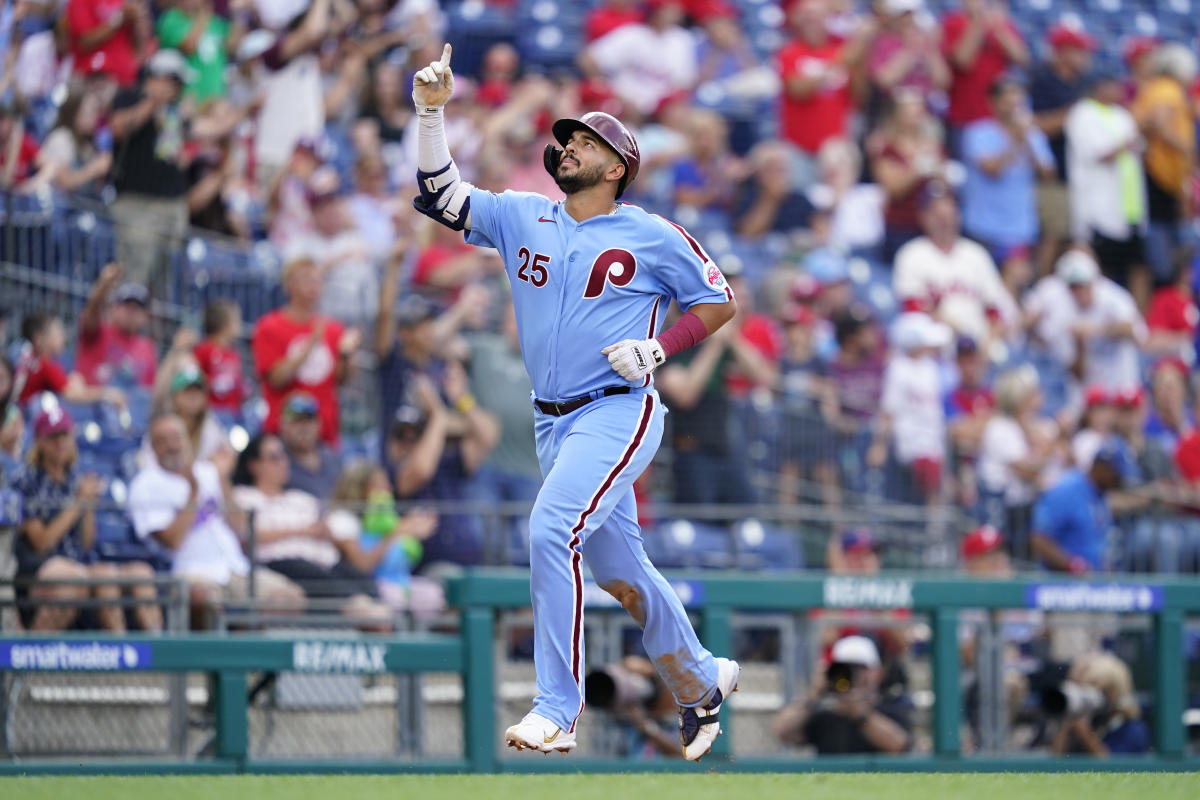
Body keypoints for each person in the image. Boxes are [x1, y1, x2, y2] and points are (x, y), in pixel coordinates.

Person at [410, 44, 739, 759]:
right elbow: (442, 196)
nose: (568, 148)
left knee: (550, 529)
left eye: (585, 142)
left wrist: (661, 349)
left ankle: (558, 707)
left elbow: (718, 302)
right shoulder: (526, 214)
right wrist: (431, 115)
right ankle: (702, 683)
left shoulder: (650, 232)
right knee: (622, 574)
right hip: (550, 418)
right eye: (567, 140)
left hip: (619, 407)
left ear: (616, 166)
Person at [129, 413, 303, 628]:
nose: (172, 445)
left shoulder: (209, 472)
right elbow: (172, 541)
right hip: (190, 571)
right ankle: (218, 656)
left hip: (234, 568)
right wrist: (193, 492)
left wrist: (222, 479)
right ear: (153, 447)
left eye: (176, 437)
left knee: (291, 597)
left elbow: (240, 527)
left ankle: (244, 649)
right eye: (163, 440)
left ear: (187, 439)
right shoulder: (146, 483)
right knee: (208, 601)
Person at [15, 406, 161, 632]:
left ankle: (131, 651)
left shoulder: (75, 478)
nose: (60, 443)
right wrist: (78, 503)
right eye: (53, 436)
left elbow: (86, 543)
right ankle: (31, 657)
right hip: (38, 566)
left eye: (65, 435)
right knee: (76, 579)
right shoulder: (27, 478)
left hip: (75, 563)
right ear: (39, 441)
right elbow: (41, 543)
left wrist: (88, 507)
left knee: (131, 572)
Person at [231, 434, 389, 627]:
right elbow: (247, 535)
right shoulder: (243, 497)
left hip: (323, 562)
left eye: (284, 456)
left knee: (355, 573)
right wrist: (302, 531)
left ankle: (382, 613)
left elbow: (328, 528)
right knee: (307, 570)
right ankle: (362, 610)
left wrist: (327, 532)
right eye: (274, 457)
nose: (283, 463)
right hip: (278, 563)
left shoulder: (302, 499)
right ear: (254, 465)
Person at [252, 255, 361, 445]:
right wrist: (310, 345)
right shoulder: (269, 327)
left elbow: (341, 380)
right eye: (306, 279)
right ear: (288, 286)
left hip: (324, 433)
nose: (314, 285)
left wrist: (346, 356)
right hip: (283, 432)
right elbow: (276, 379)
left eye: (318, 280)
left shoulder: (334, 329)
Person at [107, 49, 190, 289]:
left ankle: (158, 326)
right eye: (175, 83)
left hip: (172, 205)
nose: (177, 90)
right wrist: (153, 101)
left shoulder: (173, 110)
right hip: (137, 205)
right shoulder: (128, 96)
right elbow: (119, 128)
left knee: (168, 282)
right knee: (134, 277)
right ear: (159, 77)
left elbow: (188, 139)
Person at [893, 181, 1015, 344]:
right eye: (938, 215)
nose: (945, 221)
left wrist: (987, 344)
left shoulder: (976, 254)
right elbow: (913, 309)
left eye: (949, 214)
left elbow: (994, 310)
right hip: (933, 346)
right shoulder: (911, 254)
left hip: (977, 348)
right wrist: (957, 330)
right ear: (923, 217)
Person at [325, 460, 444, 617]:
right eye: (380, 485)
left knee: (432, 593)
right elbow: (362, 565)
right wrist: (397, 533)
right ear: (360, 490)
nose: (389, 489)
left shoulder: (387, 520)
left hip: (397, 583)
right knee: (392, 598)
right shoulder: (343, 520)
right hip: (360, 589)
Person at [1065, 70, 1148, 292]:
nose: (1118, 90)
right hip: (1099, 206)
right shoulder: (1083, 113)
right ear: (1099, 87)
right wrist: (1126, 144)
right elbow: (1095, 154)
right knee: (1100, 266)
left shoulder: (1123, 114)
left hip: (1130, 206)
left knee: (1138, 264)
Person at [961, 75, 1056, 261]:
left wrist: (1027, 140)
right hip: (983, 227)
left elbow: (1047, 174)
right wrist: (1017, 140)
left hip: (1021, 228)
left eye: (1018, 101)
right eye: (1007, 101)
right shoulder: (977, 132)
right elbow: (992, 170)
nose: (1014, 107)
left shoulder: (1032, 135)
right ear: (992, 103)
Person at [774, 635, 912, 755]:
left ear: (878, 672)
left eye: (861, 668)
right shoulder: (825, 711)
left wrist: (859, 714)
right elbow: (784, 732)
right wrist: (814, 693)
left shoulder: (891, 703)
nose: (855, 675)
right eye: (846, 668)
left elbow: (899, 745)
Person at [1131, 44, 1197, 284]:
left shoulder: (1155, 88)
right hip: (1160, 171)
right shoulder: (1167, 89)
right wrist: (1189, 149)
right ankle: (1166, 284)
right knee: (1165, 238)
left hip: (1164, 173)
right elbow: (1160, 124)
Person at [1031, 443, 1125, 574]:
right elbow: (1039, 539)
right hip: (1061, 585)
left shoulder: (1099, 494)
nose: (1119, 481)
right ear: (1101, 470)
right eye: (1116, 475)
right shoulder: (1066, 491)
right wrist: (1070, 565)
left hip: (1092, 584)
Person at [941, 0, 1029, 133]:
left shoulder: (1001, 23)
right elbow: (962, 61)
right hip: (966, 116)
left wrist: (1000, 28)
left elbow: (1022, 59)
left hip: (1000, 116)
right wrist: (978, 23)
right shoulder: (953, 22)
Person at [15, 311, 126, 409]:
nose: (63, 336)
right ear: (38, 339)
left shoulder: (27, 355)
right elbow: (73, 395)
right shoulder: (44, 365)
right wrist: (108, 394)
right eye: (57, 331)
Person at [1049, 653, 1150, 756]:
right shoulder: (1092, 721)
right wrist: (1067, 726)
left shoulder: (1133, 729)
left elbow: (1115, 767)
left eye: (1103, 691)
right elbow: (1055, 762)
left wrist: (1085, 735)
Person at [75, 264, 158, 390]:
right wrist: (103, 285)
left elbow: (148, 392)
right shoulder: (98, 331)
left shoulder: (148, 348)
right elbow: (91, 313)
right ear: (113, 308)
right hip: (91, 405)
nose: (132, 311)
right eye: (127, 305)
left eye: (137, 308)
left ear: (146, 316)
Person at [278, 391, 343, 503]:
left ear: (319, 424)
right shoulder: (275, 459)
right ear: (283, 424)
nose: (304, 428)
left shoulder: (332, 459)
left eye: (309, 421)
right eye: (296, 421)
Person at [192, 299, 246, 419]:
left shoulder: (234, 354)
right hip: (212, 411)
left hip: (233, 411)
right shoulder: (204, 350)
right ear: (225, 324)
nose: (240, 325)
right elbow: (195, 379)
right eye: (236, 321)